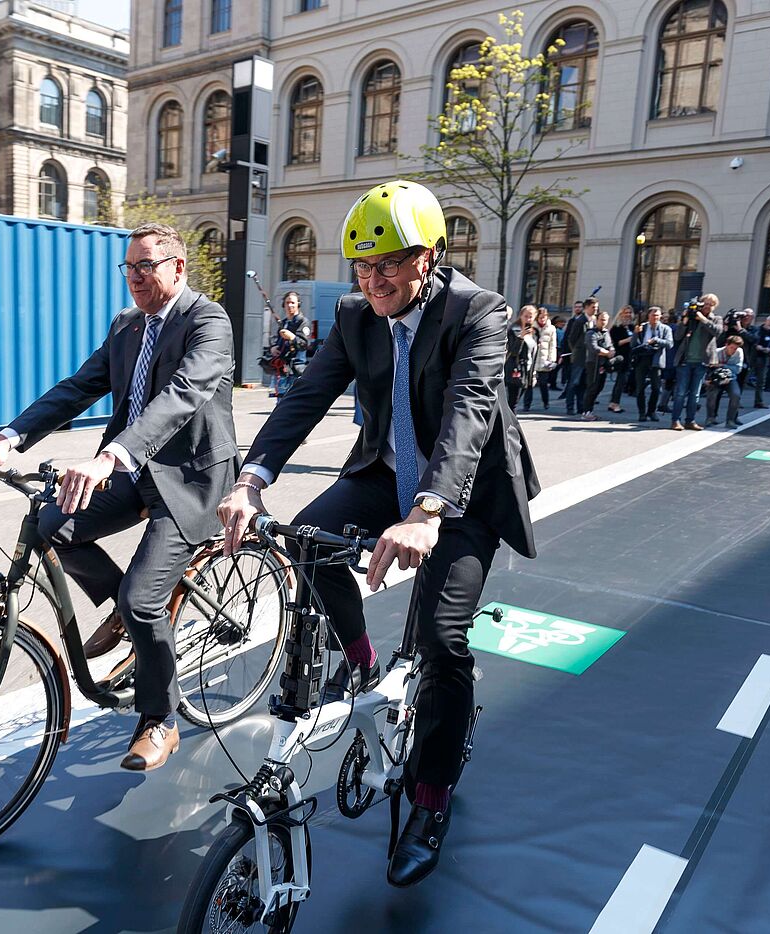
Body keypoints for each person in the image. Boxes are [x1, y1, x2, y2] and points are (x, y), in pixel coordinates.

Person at [218, 180, 540, 888]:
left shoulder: (479, 311)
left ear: (427, 255)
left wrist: (427, 514)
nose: (374, 281)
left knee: (442, 641)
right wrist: (250, 481)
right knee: (304, 538)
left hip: (462, 496)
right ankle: (362, 659)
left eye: (388, 264)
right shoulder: (356, 314)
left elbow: (468, 411)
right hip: (382, 473)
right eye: (362, 268)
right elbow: (306, 396)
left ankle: (430, 799)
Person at [0, 223, 238, 773]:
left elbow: (181, 396)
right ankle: (123, 613)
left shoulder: (208, 320)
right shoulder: (126, 326)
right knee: (48, 524)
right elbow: (78, 386)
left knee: (143, 599)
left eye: (147, 266)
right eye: (129, 267)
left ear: (177, 268)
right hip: (132, 469)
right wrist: (9, 437)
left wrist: (111, 456)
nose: (135, 277)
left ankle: (159, 719)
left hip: (190, 478)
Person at [670, 294, 723, 431]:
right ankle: (675, 420)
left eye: (711, 304)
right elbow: (678, 336)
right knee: (681, 392)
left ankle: (690, 420)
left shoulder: (716, 319)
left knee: (695, 394)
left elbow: (717, 332)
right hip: (685, 360)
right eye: (705, 303)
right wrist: (685, 320)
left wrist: (703, 319)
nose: (707, 306)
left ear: (714, 306)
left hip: (702, 361)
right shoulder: (692, 317)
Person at [632, 306, 672, 422]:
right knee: (640, 388)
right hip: (642, 359)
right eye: (653, 315)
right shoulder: (642, 327)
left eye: (657, 315)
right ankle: (641, 412)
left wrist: (656, 340)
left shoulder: (665, 329)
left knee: (656, 388)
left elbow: (670, 344)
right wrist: (635, 334)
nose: (655, 317)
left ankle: (651, 411)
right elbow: (633, 345)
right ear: (648, 316)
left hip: (656, 359)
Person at [274, 291, 312, 398]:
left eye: (292, 303)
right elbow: (278, 342)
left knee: (294, 401)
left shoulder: (303, 322)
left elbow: (304, 344)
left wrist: (292, 337)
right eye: (287, 303)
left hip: (296, 370)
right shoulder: (283, 323)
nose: (290, 305)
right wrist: (274, 348)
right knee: (280, 403)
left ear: (298, 304)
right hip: (282, 370)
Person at [581, 310, 615, 421]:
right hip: (593, 363)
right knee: (592, 387)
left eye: (605, 320)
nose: (603, 322)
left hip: (603, 364)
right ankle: (586, 411)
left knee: (599, 388)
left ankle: (590, 410)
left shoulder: (606, 332)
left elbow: (610, 345)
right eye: (601, 320)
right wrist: (607, 352)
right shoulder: (591, 333)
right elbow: (594, 348)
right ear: (597, 320)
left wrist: (612, 351)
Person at [562, 298, 594, 415]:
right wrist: (576, 350)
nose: (595, 310)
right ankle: (570, 407)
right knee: (574, 382)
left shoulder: (593, 320)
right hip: (579, 357)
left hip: (589, 357)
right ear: (587, 308)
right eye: (593, 307)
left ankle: (581, 407)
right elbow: (571, 338)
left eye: (596, 307)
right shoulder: (580, 320)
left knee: (583, 384)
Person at [705, 334, 745, 427]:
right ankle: (710, 418)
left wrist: (722, 365)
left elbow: (738, 369)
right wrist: (706, 380)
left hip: (731, 378)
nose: (733, 350)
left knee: (736, 395)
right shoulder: (717, 352)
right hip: (716, 379)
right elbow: (708, 367)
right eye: (731, 347)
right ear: (726, 345)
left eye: (735, 348)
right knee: (712, 395)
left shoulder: (739, 352)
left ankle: (731, 420)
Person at [505, 305, 539, 411]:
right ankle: (509, 426)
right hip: (516, 369)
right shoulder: (514, 330)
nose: (528, 319)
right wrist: (521, 337)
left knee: (516, 401)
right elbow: (513, 351)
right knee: (513, 402)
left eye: (531, 317)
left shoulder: (534, 332)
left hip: (528, 369)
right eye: (526, 316)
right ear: (520, 316)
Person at [529, 306, 559, 410]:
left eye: (544, 317)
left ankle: (546, 402)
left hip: (544, 358)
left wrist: (552, 359)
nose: (542, 319)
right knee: (529, 383)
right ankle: (527, 404)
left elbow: (553, 345)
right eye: (540, 317)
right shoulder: (532, 326)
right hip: (532, 358)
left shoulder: (551, 328)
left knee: (543, 383)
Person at [606, 306, 635, 413]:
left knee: (623, 381)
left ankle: (613, 402)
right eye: (625, 313)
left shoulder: (632, 327)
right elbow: (616, 343)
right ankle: (615, 403)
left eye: (629, 313)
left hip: (630, 356)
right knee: (620, 381)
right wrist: (629, 339)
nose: (627, 315)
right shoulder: (616, 328)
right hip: (620, 357)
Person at [748, 314, 770, 408]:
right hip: (753, 356)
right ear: (766, 321)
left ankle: (758, 401)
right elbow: (750, 340)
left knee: (761, 381)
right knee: (744, 379)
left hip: (764, 358)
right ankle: (737, 401)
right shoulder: (757, 330)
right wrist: (756, 346)